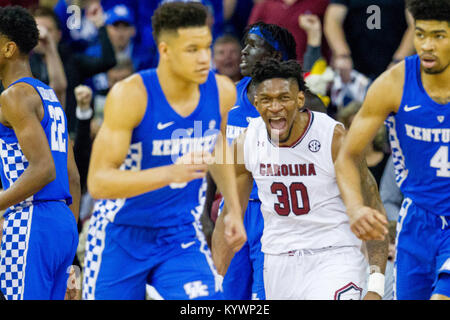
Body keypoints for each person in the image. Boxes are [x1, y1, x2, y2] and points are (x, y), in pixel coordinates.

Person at [82, 2, 245, 300]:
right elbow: (99, 182)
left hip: (178, 233)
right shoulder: (131, 95)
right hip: (120, 234)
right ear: (165, 50)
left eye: (207, 47)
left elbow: (217, 144)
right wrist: (169, 173)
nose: (204, 58)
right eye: (192, 49)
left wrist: (232, 209)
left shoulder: (221, 90)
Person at [212, 58, 389, 300]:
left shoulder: (333, 138)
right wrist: (215, 282)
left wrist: (376, 286)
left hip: (335, 256)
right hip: (278, 260)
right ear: (256, 103)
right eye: (267, 99)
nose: (275, 107)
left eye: (283, 98)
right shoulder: (247, 143)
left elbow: (372, 204)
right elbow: (228, 217)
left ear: (300, 100)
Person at [335, 0, 450, 300]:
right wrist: (355, 208)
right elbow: (347, 155)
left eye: (439, 36)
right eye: (421, 34)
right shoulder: (394, 84)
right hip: (416, 221)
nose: (427, 45)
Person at [202, 22, 298, 301]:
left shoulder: (300, 104)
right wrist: (208, 209)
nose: (243, 52)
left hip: (275, 211)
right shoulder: (228, 97)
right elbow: (215, 156)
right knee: (227, 296)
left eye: (253, 45)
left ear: (275, 56)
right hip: (232, 210)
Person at [0, 6, 80, 300]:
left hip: (31, 220)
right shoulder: (48, 97)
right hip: (62, 223)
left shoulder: (13, 95)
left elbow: (43, 169)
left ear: (8, 48)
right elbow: (71, 175)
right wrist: (68, 234)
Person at [324, 0, 415, 81]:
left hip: (396, 66)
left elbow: (415, 24)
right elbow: (333, 21)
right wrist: (342, 54)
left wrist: (399, 61)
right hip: (355, 71)